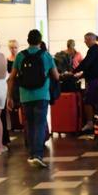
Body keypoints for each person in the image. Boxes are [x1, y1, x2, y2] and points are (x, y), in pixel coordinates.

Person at [8, 29, 60, 168]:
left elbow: (12, 78)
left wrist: (10, 97)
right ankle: (37, 155)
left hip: (25, 96)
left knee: (30, 124)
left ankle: (32, 154)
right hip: (42, 95)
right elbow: (56, 76)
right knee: (40, 124)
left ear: (28, 40)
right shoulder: (45, 55)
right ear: (39, 41)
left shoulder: (20, 56)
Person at [75, 32, 98, 132]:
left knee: (88, 101)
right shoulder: (96, 49)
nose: (85, 42)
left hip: (94, 80)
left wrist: (74, 71)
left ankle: (90, 123)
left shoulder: (93, 49)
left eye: (86, 39)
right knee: (94, 101)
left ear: (92, 40)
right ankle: (95, 122)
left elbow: (86, 63)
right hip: (96, 79)